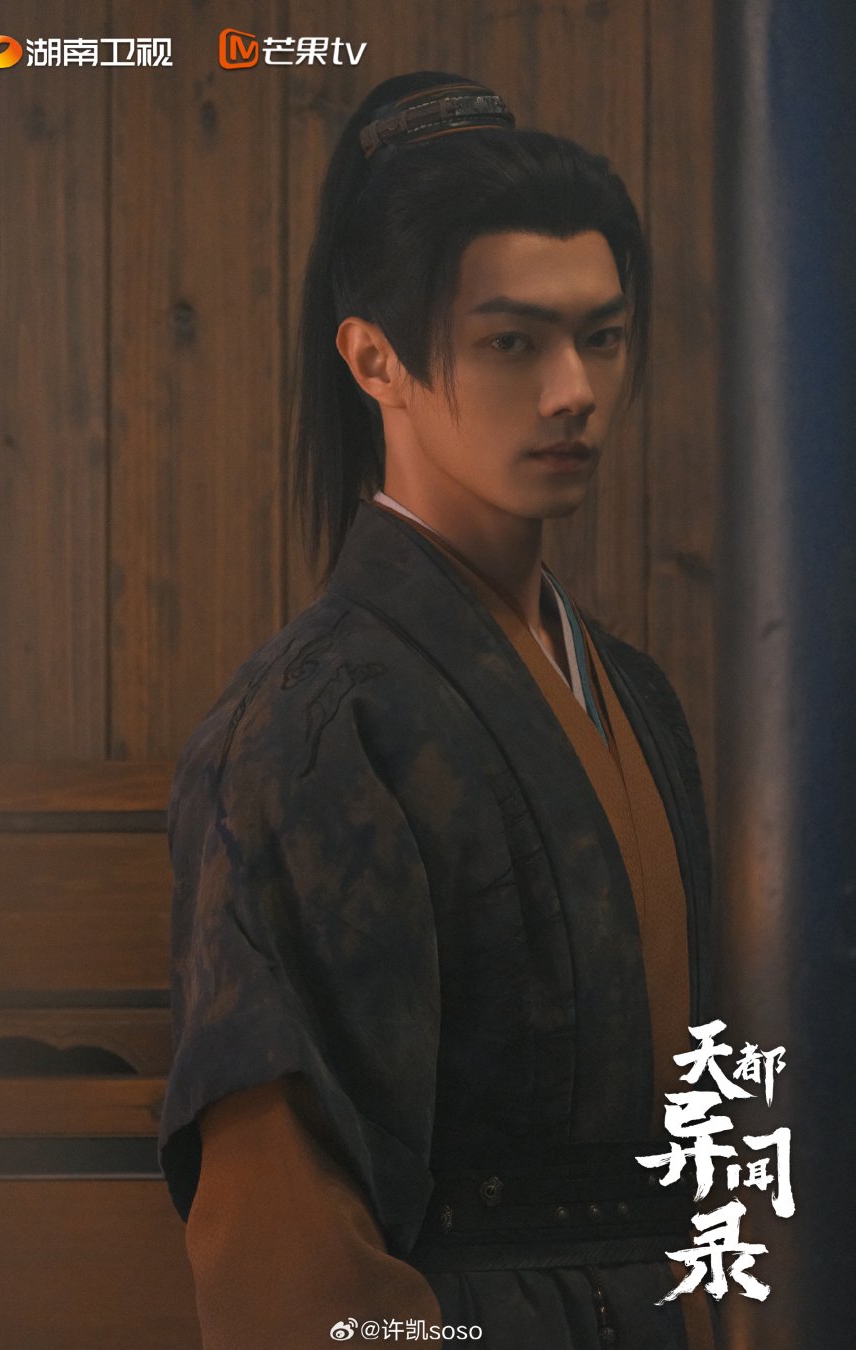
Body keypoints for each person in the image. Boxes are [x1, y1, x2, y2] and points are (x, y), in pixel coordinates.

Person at [158, 71, 718, 1349]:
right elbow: (288, 1261)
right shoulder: (313, 730)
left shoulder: (633, 694)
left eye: (602, 337)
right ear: (376, 359)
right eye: (513, 342)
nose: (573, 390)